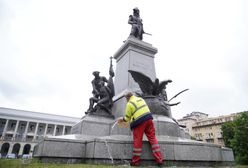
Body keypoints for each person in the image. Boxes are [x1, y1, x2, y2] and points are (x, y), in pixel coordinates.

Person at [118, 92, 164, 166]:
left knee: (138, 140)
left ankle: (135, 162)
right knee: (152, 139)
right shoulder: (140, 99)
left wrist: (122, 120)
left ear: (127, 98)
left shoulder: (129, 104)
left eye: (126, 99)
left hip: (139, 122)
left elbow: (127, 118)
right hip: (149, 119)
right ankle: (159, 160)